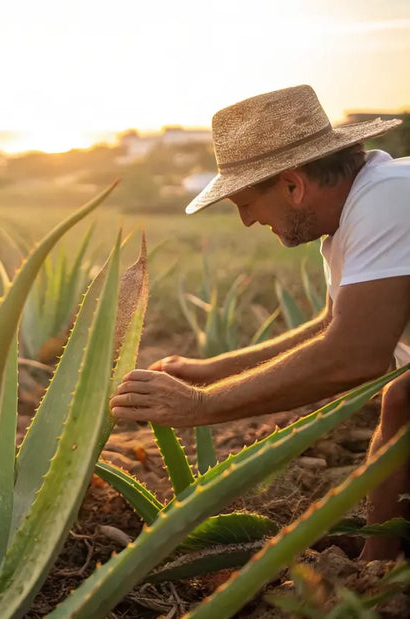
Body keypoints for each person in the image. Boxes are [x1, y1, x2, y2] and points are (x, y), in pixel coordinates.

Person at [109, 85, 409, 560]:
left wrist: (199, 406)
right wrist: (212, 369)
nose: (247, 221)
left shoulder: (389, 200)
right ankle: (382, 560)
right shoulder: (352, 219)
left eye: (244, 203)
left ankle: (378, 570)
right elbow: (332, 324)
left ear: (293, 185)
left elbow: (353, 355)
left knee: (403, 396)